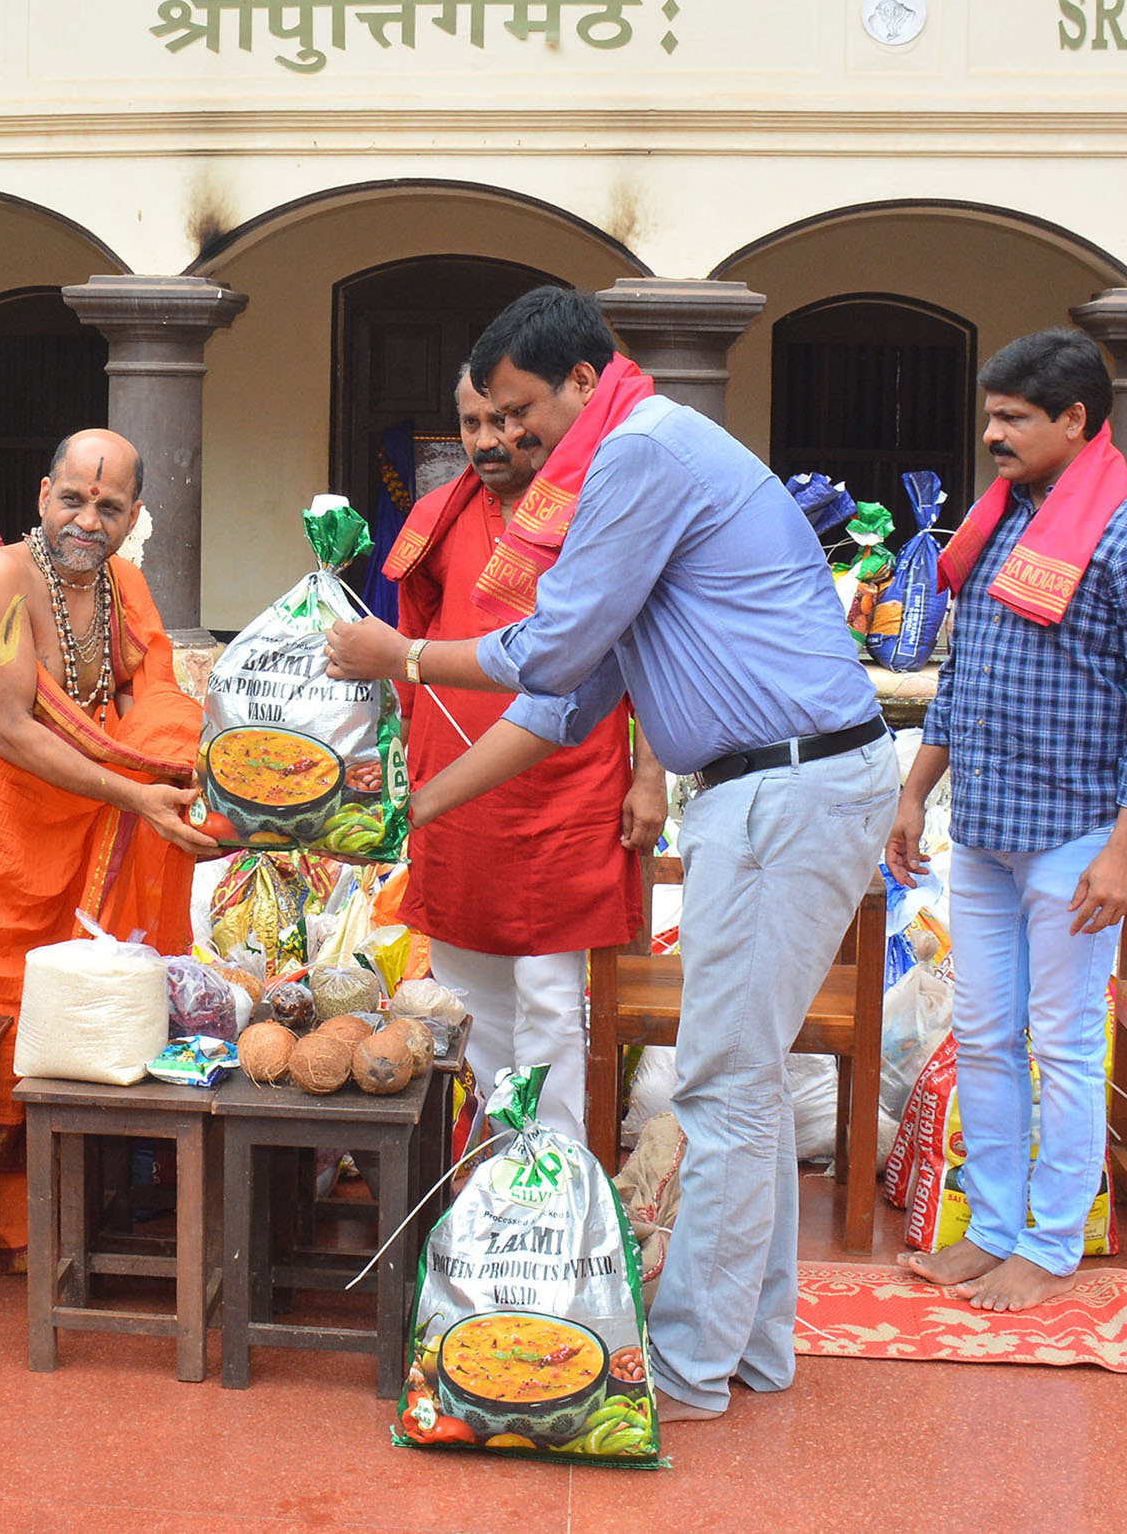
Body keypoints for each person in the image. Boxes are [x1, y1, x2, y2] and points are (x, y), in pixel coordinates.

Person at [327, 286, 897, 1427]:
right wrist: (419, 805)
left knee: (722, 1091)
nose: (511, 436)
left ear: (587, 378)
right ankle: (759, 1348)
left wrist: (408, 653)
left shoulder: (639, 451)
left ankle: (683, 1370)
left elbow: (553, 642)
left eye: (522, 409)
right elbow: (565, 697)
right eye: (489, 416)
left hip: (782, 786)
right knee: (747, 1089)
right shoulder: (626, 457)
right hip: (773, 784)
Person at [888, 329, 1127, 1313]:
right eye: (991, 414)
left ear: (1075, 419)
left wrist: (1125, 848)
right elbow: (963, 678)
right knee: (983, 1036)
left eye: (1014, 417)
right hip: (981, 828)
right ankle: (992, 1229)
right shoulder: (994, 525)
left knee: (1062, 1044)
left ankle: (1052, 1246)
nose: (993, 434)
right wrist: (914, 789)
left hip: (1075, 836)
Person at [0, 429, 220, 1253]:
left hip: (68, 839)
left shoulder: (127, 587)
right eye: (73, 498)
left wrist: (182, 771)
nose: (87, 520)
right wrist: (139, 789)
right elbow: (10, 733)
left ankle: (48, 1210)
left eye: (109, 506)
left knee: (66, 1009)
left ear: (134, 515)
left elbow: (157, 694)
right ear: (41, 494)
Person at [381, 364, 666, 1139]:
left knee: (549, 995)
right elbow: (410, 647)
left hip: (565, 787)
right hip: (454, 787)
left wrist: (651, 775)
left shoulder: (591, 512)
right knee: (468, 990)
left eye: (502, 422)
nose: (488, 440)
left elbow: (640, 649)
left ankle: (556, 1175)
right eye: (471, 425)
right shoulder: (437, 515)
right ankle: (501, 1163)